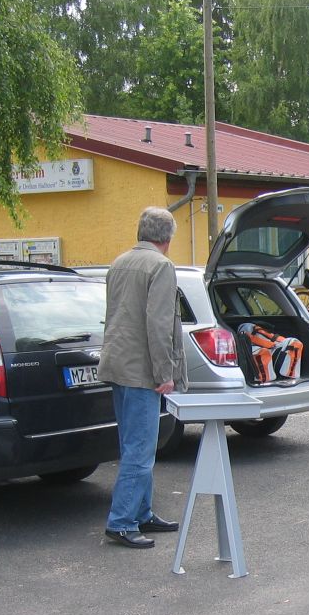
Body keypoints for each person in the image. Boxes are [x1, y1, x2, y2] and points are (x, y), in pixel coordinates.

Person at [101, 206, 188, 549]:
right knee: (141, 449)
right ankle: (122, 522)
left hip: (118, 365)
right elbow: (159, 324)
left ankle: (142, 512)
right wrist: (165, 373)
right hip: (142, 371)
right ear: (168, 237)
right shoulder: (161, 266)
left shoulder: (119, 262)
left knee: (133, 445)